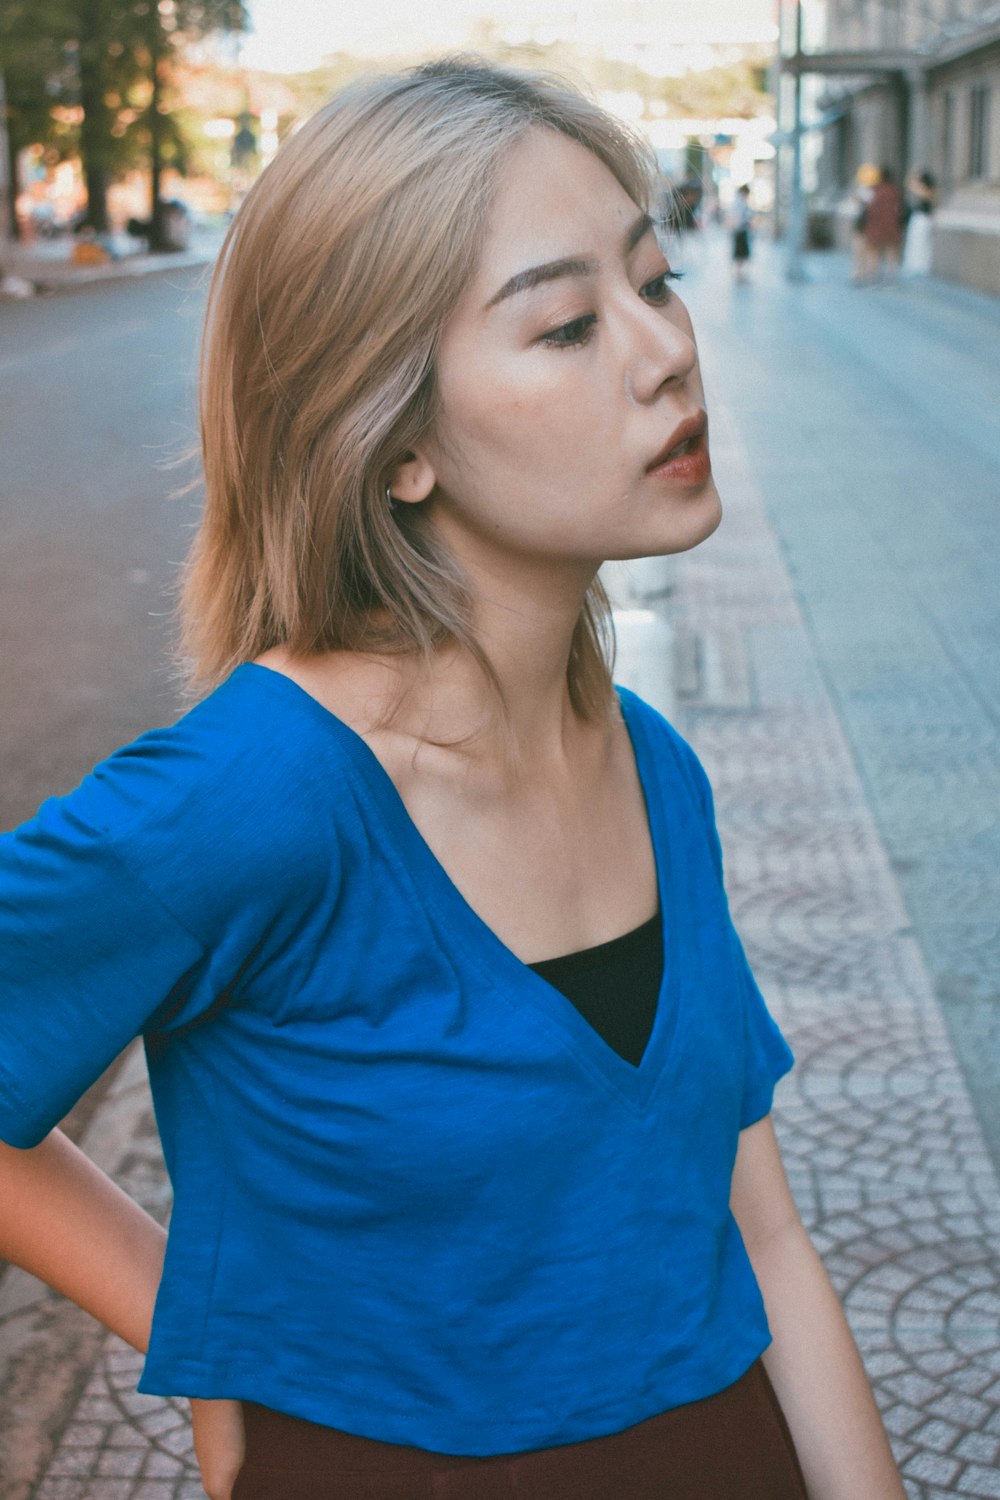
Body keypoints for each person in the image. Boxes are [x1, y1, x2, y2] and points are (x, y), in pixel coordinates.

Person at [0, 59, 907, 1500]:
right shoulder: (258, 794)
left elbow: (768, 1239)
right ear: (397, 441)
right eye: (563, 324)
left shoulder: (657, 771)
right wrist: (207, 1325)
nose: (667, 351)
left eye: (656, 280)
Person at [858, 165, 904, 284]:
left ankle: (873, 276)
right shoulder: (894, 191)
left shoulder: (874, 191)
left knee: (874, 252)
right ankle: (892, 276)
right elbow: (898, 209)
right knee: (891, 250)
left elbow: (868, 207)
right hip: (891, 226)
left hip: (875, 226)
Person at [901, 168, 936, 276]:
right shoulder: (928, 192)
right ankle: (916, 264)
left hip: (923, 219)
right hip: (920, 218)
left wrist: (914, 175)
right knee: (916, 242)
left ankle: (920, 265)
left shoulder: (928, 192)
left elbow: (909, 184)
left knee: (920, 242)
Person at [730, 183, 752, 283]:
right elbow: (738, 217)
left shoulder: (739, 201)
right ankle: (738, 273)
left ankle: (739, 273)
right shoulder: (740, 202)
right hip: (740, 230)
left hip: (740, 230)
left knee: (741, 253)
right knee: (740, 253)